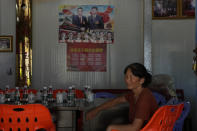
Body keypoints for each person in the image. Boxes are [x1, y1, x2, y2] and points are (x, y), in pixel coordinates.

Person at [86, 63, 158, 131]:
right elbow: (116, 100)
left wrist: (111, 128)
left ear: (141, 80)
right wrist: (96, 110)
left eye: (131, 77)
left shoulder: (144, 98)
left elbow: (135, 128)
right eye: (126, 77)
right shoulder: (135, 93)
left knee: (111, 127)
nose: (127, 80)